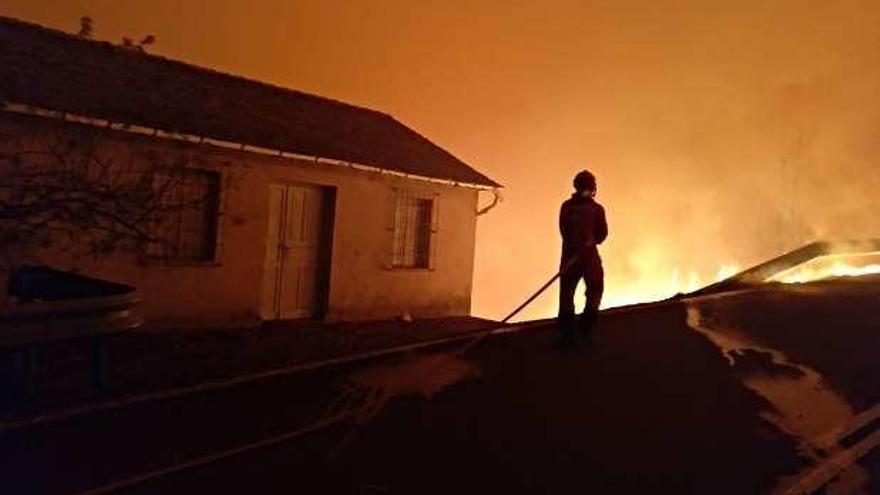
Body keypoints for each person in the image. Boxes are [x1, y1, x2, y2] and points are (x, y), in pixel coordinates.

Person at [558, 169, 608, 347]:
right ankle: (586, 329)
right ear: (593, 188)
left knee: (566, 295)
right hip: (587, 259)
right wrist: (589, 241)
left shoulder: (566, 207)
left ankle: (566, 334)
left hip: (569, 259)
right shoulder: (596, 209)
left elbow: (563, 231)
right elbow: (602, 235)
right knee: (595, 289)